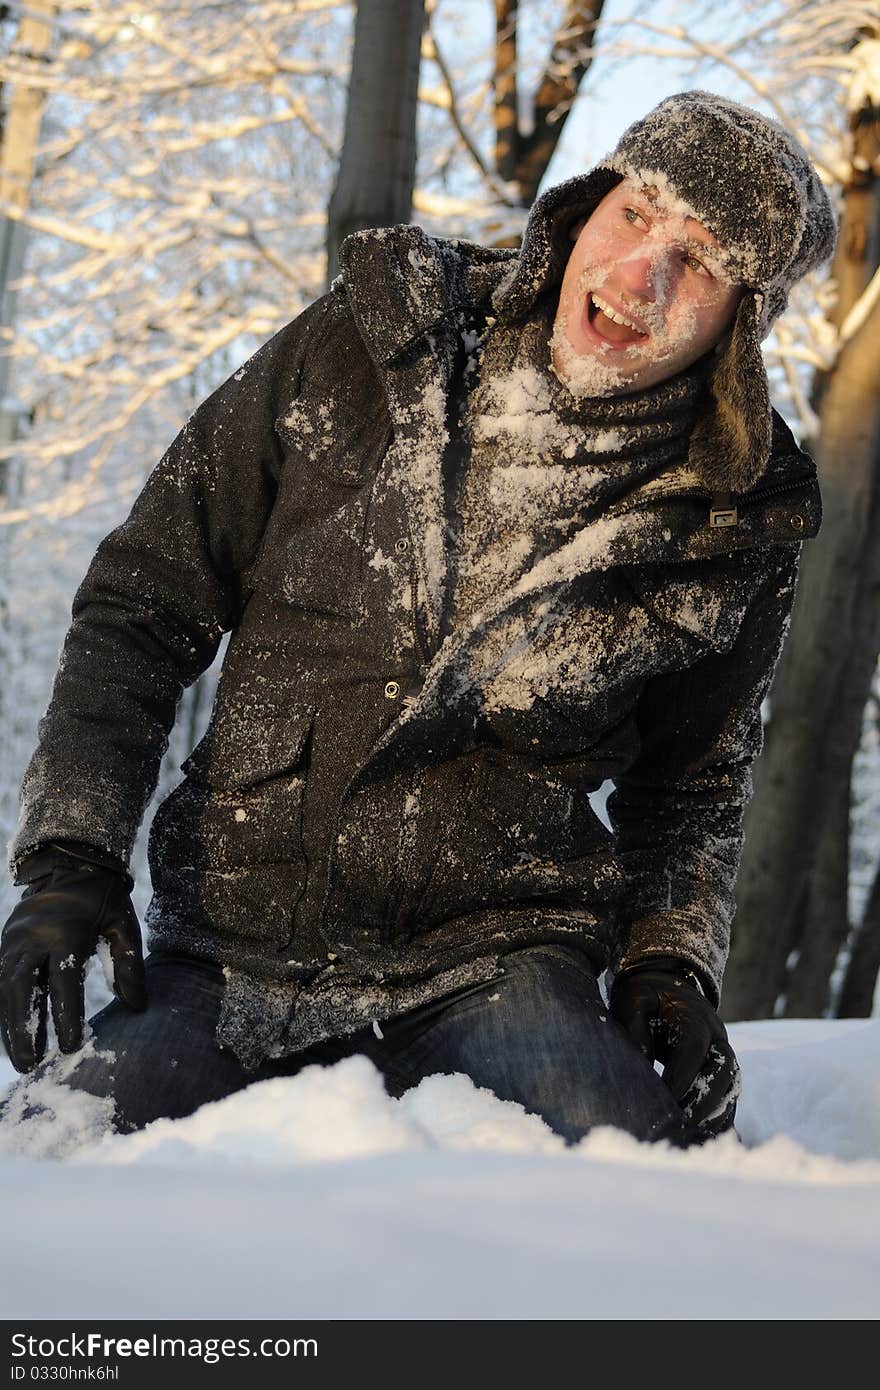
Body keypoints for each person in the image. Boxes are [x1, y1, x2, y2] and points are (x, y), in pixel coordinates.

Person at [0, 91, 836, 1150]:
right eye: (636, 214)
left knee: (646, 1179)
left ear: (743, 319)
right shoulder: (375, 336)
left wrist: (669, 964)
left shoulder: (733, 513)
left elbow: (695, 780)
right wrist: (71, 860)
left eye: (704, 261)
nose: (641, 277)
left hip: (496, 966)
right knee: (44, 1158)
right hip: (227, 951)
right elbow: (142, 600)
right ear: (584, 209)